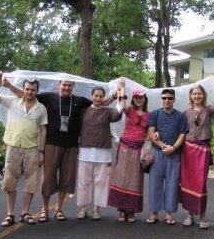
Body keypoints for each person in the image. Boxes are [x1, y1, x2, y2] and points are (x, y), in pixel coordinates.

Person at [3, 77, 115, 223]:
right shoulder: (49, 98)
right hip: (51, 144)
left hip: (71, 145)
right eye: (64, 85)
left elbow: (100, 104)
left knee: (66, 178)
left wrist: (114, 95)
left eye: (69, 85)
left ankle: (59, 209)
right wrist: (9, 86)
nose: (66, 88)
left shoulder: (79, 101)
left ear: (73, 86)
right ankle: (44, 209)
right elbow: (27, 95)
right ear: (59, 85)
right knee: (48, 178)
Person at [0, 72, 48, 227]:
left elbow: (43, 130)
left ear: (37, 91)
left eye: (33, 90)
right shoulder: (12, 101)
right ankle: (10, 214)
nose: (30, 92)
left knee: (31, 182)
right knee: (10, 180)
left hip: (32, 149)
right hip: (13, 146)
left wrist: (42, 151)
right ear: (24, 89)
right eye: (27, 89)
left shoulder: (41, 108)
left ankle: (25, 212)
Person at [180, 78, 214, 229]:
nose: (197, 96)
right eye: (194, 94)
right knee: (188, 181)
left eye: (199, 94)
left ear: (203, 96)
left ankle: (202, 216)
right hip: (188, 150)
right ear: (191, 96)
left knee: (201, 184)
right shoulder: (186, 112)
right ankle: (190, 215)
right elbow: (180, 132)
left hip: (203, 150)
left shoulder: (208, 110)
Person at [76, 86, 123, 220]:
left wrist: (119, 95)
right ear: (92, 96)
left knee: (101, 182)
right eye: (95, 95)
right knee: (84, 181)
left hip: (103, 152)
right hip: (85, 151)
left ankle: (97, 209)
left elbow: (118, 113)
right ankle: (83, 208)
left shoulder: (108, 112)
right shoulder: (84, 110)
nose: (98, 98)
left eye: (100, 96)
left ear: (103, 97)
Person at [107, 84, 150, 223]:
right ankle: (121, 210)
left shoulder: (149, 115)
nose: (138, 100)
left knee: (135, 180)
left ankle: (131, 211)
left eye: (141, 97)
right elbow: (121, 102)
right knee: (122, 178)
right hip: (125, 147)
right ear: (133, 99)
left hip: (138, 150)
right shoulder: (129, 110)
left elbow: (150, 133)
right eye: (136, 97)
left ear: (145, 99)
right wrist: (123, 88)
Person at [146, 88, 188, 225]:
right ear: (161, 99)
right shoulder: (155, 114)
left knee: (172, 184)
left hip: (174, 154)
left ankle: (169, 214)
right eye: (164, 98)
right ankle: (154, 213)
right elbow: (151, 133)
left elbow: (182, 134)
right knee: (155, 184)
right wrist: (163, 146)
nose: (166, 101)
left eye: (169, 98)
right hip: (157, 153)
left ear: (174, 99)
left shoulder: (181, 116)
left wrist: (173, 148)